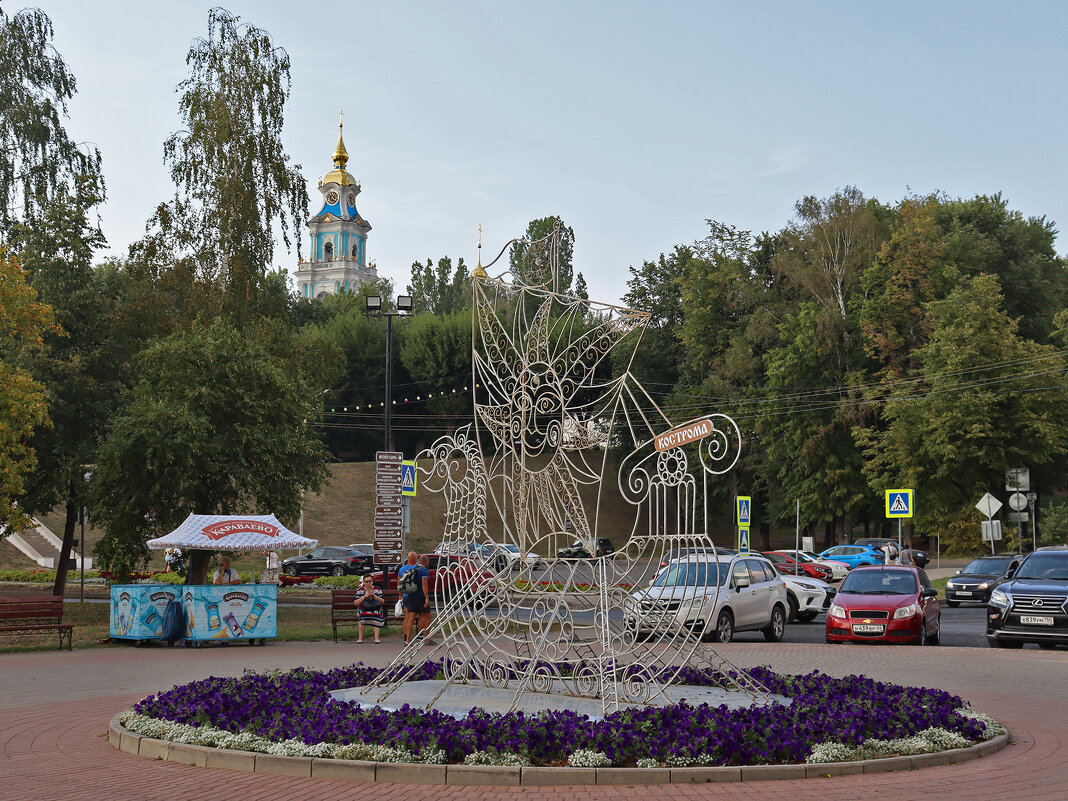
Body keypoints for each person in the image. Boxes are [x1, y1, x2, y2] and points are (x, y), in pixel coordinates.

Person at [398, 551, 430, 645]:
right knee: (425, 616)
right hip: (419, 596)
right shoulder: (422, 569)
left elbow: (399, 583)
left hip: (408, 595)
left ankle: (407, 639)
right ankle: (423, 637)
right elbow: (424, 583)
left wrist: (400, 595)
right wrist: (427, 597)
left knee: (409, 618)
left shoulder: (404, 569)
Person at [354, 574, 385, 643]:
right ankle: (360, 638)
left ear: (372, 581)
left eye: (370, 581)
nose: (368, 583)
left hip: (375, 608)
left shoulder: (377, 589)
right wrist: (365, 596)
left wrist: (375, 596)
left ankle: (377, 638)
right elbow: (356, 603)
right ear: (364, 582)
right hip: (363, 609)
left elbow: (383, 602)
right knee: (363, 615)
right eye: (366, 581)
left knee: (376, 614)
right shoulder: (360, 590)